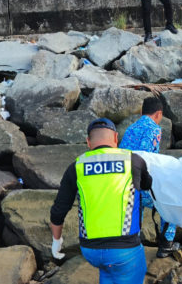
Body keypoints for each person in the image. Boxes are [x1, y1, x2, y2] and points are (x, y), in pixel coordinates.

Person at [49, 118, 152, 284]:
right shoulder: (133, 161)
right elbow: (148, 184)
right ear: (116, 138)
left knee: (107, 272)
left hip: (90, 250)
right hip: (124, 249)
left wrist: (56, 241)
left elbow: (58, 210)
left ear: (88, 142)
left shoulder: (76, 166)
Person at [119, 96, 179, 258]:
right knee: (170, 204)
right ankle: (166, 244)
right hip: (141, 181)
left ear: (142, 111)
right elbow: (146, 156)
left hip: (124, 182)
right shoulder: (153, 128)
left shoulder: (131, 128)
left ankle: (133, 243)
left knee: (136, 210)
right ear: (159, 114)